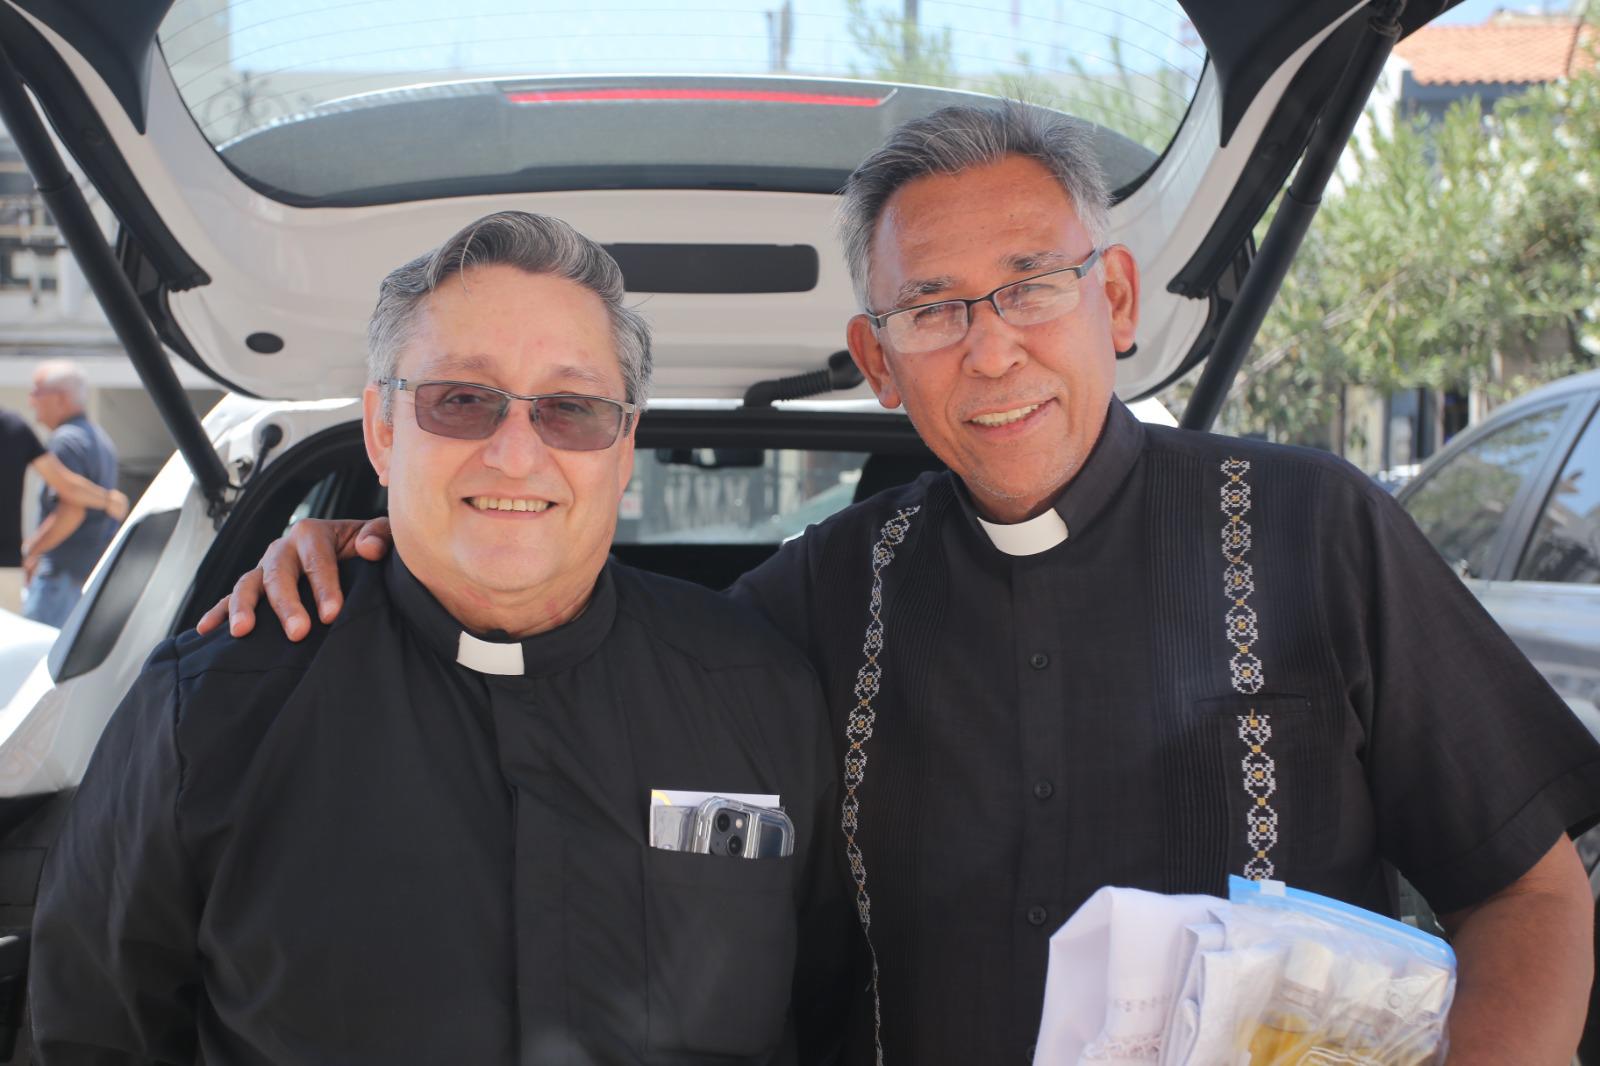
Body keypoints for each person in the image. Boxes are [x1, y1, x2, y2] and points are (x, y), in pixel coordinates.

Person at [203, 105, 1600, 1065]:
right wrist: (386, 559)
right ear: (880, 363)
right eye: (931, 308)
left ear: (1113, 299)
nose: (989, 350)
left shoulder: (1315, 526)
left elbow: (1529, 895)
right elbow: (580, 643)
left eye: (1031, 285)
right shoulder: (816, 596)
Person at [31, 212, 851, 1065]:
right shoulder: (210, 709)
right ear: (382, 431)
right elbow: (93, 1032)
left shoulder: (760, 692)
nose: (515, 453)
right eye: (462, 400)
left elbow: (840, 1010)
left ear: (624, 444)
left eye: (570, 409)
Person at [21, 360, 122, 625]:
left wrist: (32, 550)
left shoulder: (66, 441)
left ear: (60, 398)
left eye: (36, 392)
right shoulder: (98, 437)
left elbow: (71, 510)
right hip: (85, 575)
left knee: (38, 660)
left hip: (60, 578)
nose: (31, 401)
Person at [0, 404, 126, 615]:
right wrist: (108, 500)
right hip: (6, 569)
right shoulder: (11, 425)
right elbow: (66, 485)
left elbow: (68, 495)